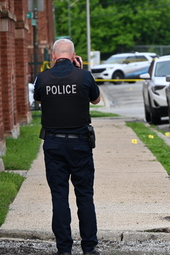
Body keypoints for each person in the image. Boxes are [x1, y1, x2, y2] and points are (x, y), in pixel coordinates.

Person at [34, 38, 101, 255]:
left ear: (53, 56)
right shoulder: (83, 76)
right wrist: (80, 71)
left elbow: (41, 100)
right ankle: (89, 248)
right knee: (84, 195)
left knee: (59, 196)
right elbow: (96, 99)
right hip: (80, 144)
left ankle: (64, 249)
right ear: (73, 57)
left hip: (53, 144)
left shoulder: (42, 78)